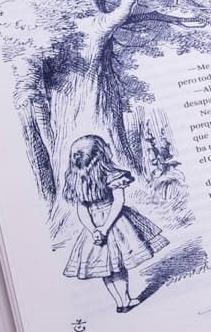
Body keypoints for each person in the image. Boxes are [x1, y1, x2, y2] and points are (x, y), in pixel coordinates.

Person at [61, 134, 169, 312]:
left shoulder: (76, 180)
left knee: (106, 268)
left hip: (95, 227)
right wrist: (103, 229)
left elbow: (82, 210)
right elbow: (118, 202)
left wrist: (94, 230)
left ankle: (121, 302)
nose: (109, 146)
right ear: (100, 154)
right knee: (117, 266)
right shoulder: (111, 175)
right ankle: (124, 300)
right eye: (105, 145)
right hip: (115, 222)